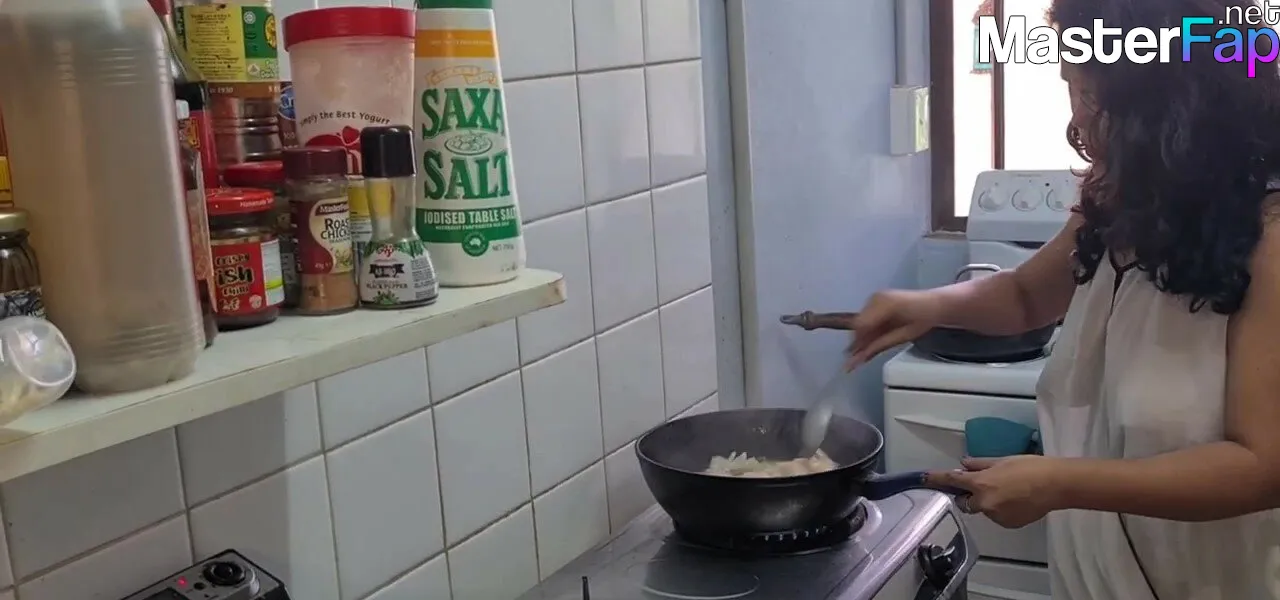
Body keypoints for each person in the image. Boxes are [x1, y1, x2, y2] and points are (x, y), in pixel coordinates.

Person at [845, 1, 1280, 598]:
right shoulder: (1126, 196)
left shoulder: (1269, 237)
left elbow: (1263, 467)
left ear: (1166, 99)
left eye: (1087, 92)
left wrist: (1062, 483)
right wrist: (929, 306)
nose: (1075, 116)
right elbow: (1026, 295)